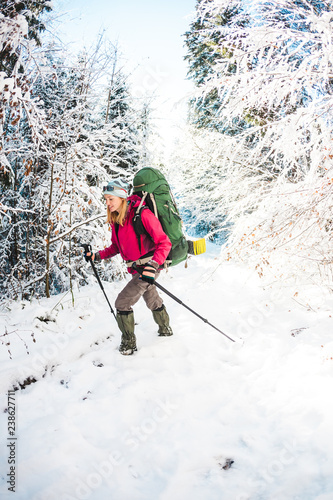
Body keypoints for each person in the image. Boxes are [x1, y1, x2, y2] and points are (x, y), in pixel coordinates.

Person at [85, 178, 173, 355]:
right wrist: (97, 256)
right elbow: (116, 247)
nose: (108, 203)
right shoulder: (118, 219)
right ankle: (165, 329)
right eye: (106, 199)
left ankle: (128, 344)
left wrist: (153, 266)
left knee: (122, 302)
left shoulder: (142, 214)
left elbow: (164, 242)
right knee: (152, 299)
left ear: (122, 198)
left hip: (148, 268)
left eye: (111, 199)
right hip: (136, 271)